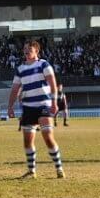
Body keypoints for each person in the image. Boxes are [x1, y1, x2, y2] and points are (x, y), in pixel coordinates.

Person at [8, 40, 65, 180]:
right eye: (25, 49)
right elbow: (15, 89)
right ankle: (31, 171)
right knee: (27, 141)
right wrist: (10, 106)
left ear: (36, 51)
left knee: (47, 136)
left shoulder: (43, 64)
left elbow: (52, 84)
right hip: (28, 108)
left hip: (43, 105)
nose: (26, 51)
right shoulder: (20, 69)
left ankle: (59, 168)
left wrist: (54, 102)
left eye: (29, 48)